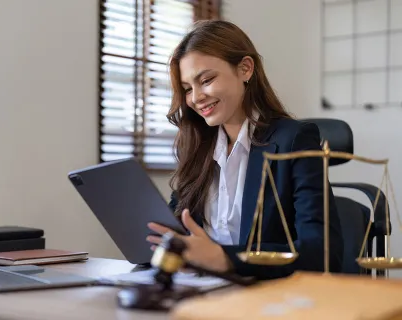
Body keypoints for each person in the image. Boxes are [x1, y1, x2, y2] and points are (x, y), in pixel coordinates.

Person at [146, 20, 343, 280]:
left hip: (267, 298)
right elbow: (178, 229)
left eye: (206, 80)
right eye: (187, 89)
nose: (195, 97)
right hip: (200, 289)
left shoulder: (293, 139)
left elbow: (323, 252)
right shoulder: (196, 147)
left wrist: (223, 258)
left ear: (245, 69)